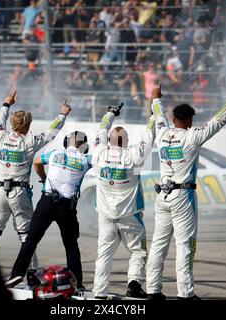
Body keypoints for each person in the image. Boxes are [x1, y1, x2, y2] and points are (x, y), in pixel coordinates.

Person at [145, 82, 226, 300]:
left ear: (173, 118)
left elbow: (157, 114)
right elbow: (219, 120)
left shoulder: (162, 132)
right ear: (188, 120)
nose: (192, 123)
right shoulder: (192, 135)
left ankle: (153, 291)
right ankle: (185, 294)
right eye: (191, 120)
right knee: (185, 245)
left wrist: (155, 97)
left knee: (158, 245)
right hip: (182, 198)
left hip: (162, 197)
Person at [0, 92, 71, 261]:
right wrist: (63, 114)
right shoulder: (30, 141)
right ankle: (31, 274)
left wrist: (6, 103)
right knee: (27, 236)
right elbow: (51, 133)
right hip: (20, 193)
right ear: (28, 126)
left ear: (12, 124)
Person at [7, 130, 91, 290]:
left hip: (47, 201)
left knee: (30, 240)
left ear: (67, 143)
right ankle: (77, 283)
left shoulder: (54, 154)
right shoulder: (86, 159)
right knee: (71, 245)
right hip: (67, 206)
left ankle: (16, 275)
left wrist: (44, 179)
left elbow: (36, 162)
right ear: (84, 147)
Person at [91, 103, 155, 299]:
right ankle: (134, 286)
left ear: (109, 141)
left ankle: (99, 293)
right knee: (138, 252)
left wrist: (110, 113)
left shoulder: (98, 153)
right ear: (127, 141)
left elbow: (101, 131)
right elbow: (148, 138)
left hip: (105, 215)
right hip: (130, 216)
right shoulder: (133, 155)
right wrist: (153, 116)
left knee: (104, 255)